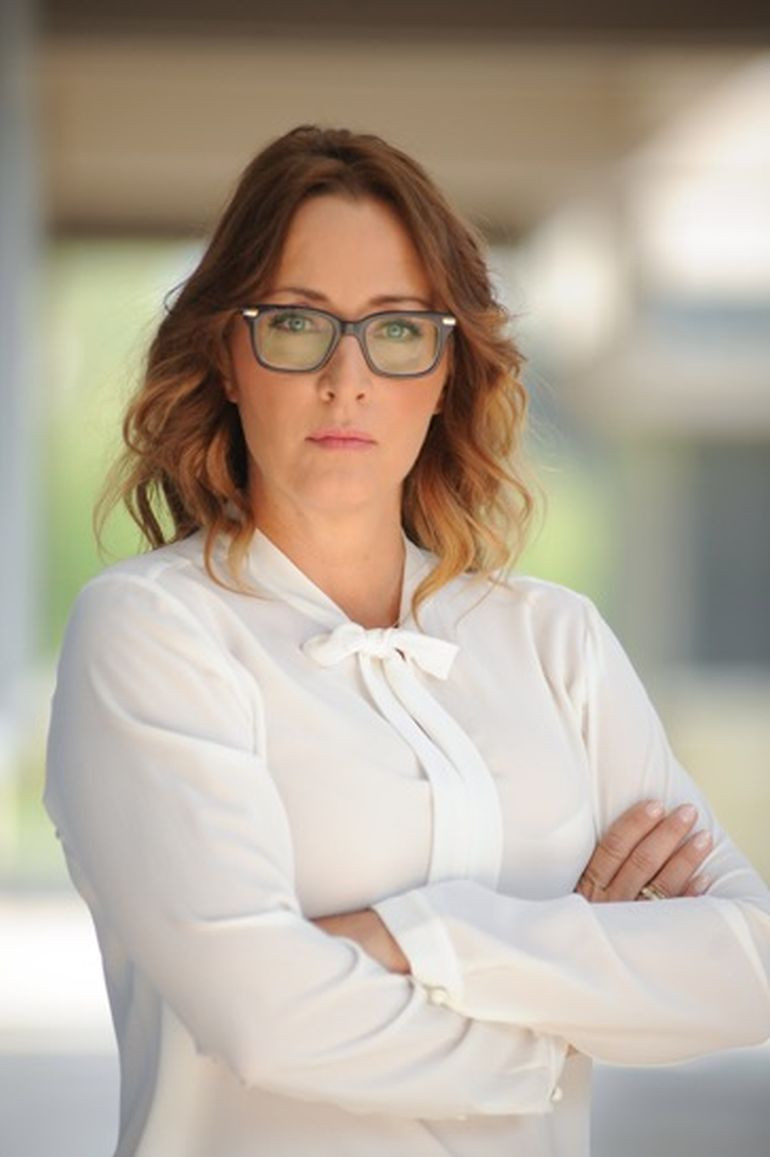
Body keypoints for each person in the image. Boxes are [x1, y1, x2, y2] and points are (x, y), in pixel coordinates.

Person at [44, 125, 770, 1157]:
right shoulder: (154, 630)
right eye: (296, 323)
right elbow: (266, 1017)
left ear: (444, 369)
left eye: (395, 329)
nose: (346, 378)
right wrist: (575, 1005)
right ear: (227, 356)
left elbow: (748, 966)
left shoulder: (554, 640)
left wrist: (411, 938)